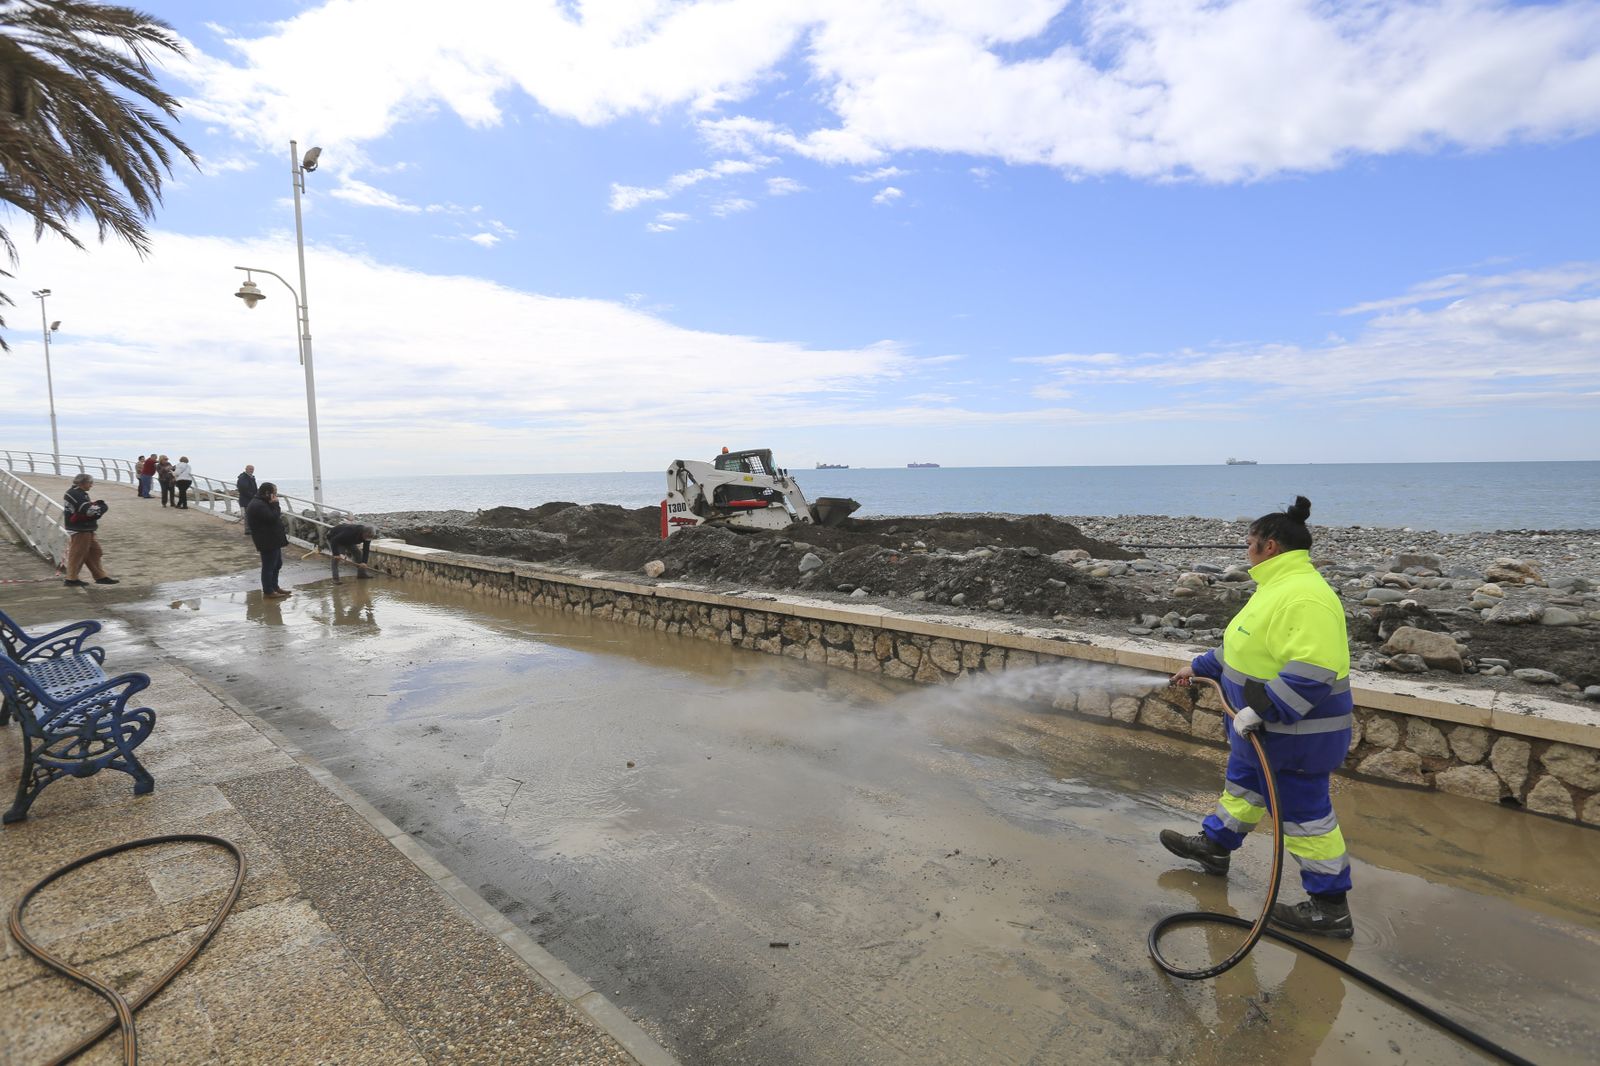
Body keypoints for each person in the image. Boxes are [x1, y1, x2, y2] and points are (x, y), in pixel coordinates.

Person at [1160, 496, 1355, 938]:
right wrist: (1200, 665)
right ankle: (1214, 847)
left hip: (1295, 735)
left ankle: (1330, 908)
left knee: (1306, 820)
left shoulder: (1305, 597)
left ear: (1269, 546)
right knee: (1244, 788)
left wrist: (1262, 711)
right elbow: (1244, 647)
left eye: (1248, 543)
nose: (1244, 550)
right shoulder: (1276, 589)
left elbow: (1312, 672)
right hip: (1261, 732)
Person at [61, 474, 119, 587]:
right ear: (83, 483)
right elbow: (88, 511)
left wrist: (97, 506)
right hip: (80, 529)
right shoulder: (75, 494)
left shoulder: (77, 493)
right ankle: (71, 579)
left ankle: (100, 576)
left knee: (95, 552)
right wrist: (102, 507)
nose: (91, 485)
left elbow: (86, 509)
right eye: (90, 483)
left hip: (85, 528)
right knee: (77, 554)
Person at [246, 482, 292, 598]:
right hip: (266, 540)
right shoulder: (258, 505)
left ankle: (274, 586)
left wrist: (273, 504)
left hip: (273, 539)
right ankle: (268, 591)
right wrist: (276, 504)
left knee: (277, 564)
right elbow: (272, 518)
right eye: (274, 493)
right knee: (269, 566)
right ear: (267, 493)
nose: (276, 496)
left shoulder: (263, 502)